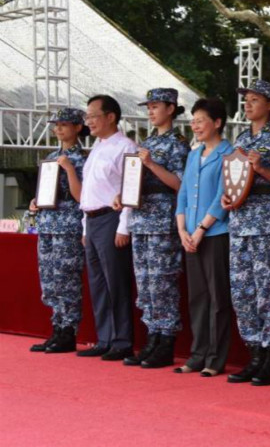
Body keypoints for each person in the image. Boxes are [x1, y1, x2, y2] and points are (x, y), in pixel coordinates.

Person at [223, 80, 270, 386]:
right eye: (246, 99)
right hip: (240, 223)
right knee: (242, 293)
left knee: (268, 292)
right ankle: (254, 354)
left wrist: (263, 169)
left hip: (266, 221)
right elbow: (233, 180)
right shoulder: (240, 138)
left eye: (255, 99)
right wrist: (227, 197)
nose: (248, 104)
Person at [116, 88, 190, 369]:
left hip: (163, 220)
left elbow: (180, 185)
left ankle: (166, 340)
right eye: (148, 106)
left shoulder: (179, 143)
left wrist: (150, 164)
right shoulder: (147, 142)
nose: (150, 111)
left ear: (171, 108)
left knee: (163, 282)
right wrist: (122, 194)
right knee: (145, 283)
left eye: (156, 106)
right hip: (141, 219)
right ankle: (152, 337)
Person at [174, 98, 234, 377]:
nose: (195, 125)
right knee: (197, 297)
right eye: (193, 120)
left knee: (217, 298)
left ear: (217, 122)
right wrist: (182, 229)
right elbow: (184, 194)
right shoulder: (193, 155)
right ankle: (197, 354)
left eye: (200, 120)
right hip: (190, 235)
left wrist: (200, 230)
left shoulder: (229, 153)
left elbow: (224, 197)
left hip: (215, 234)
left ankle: (215, 358)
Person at [78, 94, 138, 360]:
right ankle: (104, 338)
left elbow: (130, 188)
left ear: (110, 116)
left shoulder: (125, 146)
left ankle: (122, 340)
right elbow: (90, 192)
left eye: (92, 115)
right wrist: (83, 228)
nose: (88, 121)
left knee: (117, 282)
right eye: (87, 116)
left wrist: (124, 226)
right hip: (91, 220)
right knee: (98, 283)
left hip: (111, 219)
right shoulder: (97, 148)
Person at [28, 108, 88, 354]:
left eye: (64, 124)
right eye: (56, 125)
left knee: (67, 278)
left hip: (69, 224)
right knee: (50, 278)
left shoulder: (83, 159)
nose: (59, 129)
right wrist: (35, 201)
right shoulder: (52, 156)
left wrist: (70, 169)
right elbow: (46, 191)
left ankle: (68, 331)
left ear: (77, 127)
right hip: (48, 223)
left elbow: (82, 196)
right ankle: (57, 327)